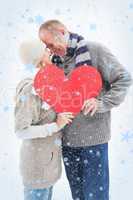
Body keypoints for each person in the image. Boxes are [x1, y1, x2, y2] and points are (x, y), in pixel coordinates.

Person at [38, 20, 133, 200]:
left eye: (50, 43)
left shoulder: (94, 50)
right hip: (67, 143)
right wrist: (45, 69)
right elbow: (48, 99)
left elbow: (124, 79)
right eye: (44, 45)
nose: (48, 49)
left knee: (96, 196)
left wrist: (101, 103)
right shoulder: (53, 63)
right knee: (79, 196)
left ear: (62, 31)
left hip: (93, 141)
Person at [14, 39, 74, 200]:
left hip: (48, 166)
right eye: (45, 50)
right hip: (36, 169)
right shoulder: (31, 90)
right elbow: (21, 130)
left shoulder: (50, 83)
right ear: (40, 58)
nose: (50, 51)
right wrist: (55, 125)